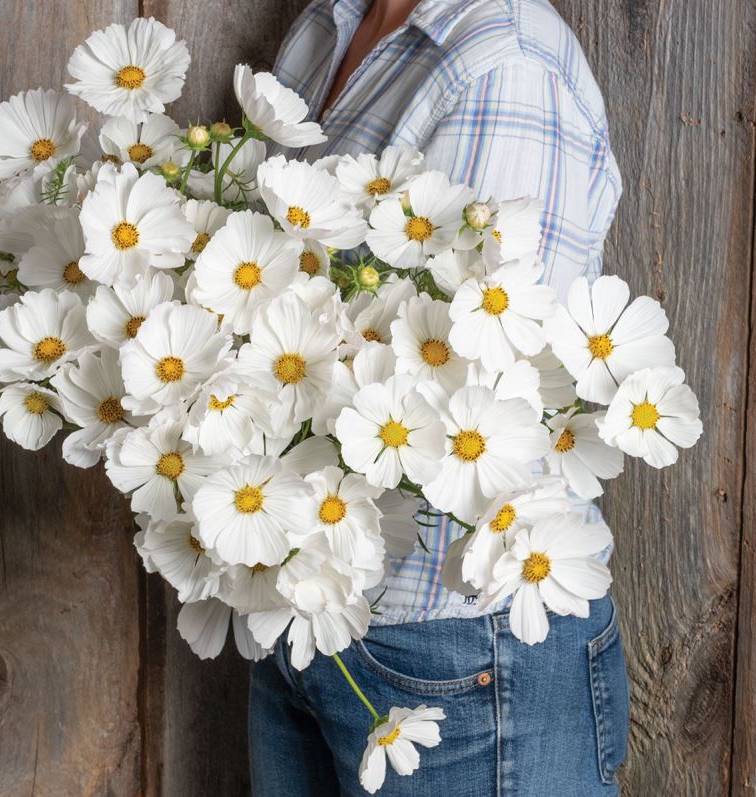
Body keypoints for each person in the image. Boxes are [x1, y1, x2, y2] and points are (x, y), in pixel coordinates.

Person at [248, 1, 630, 794]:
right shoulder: (327, 24)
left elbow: (480, 388)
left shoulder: (503, 66)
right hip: (300, 603)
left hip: (455, 643)